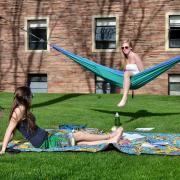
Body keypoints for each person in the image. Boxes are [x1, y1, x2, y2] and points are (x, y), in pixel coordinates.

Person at [0, 86, 123, 155]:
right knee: (79, 135)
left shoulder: (21, 109)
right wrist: (3, 150)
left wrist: (3, 144)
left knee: (78, 143)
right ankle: (109, 136)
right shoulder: (19, 110)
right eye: (31, 96)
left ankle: (111, 141)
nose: (32, 98)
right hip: (46, 142)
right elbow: (9, 131)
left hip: (45, 139)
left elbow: (11, 133)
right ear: (26, 98)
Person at [117, 39, 144, 107]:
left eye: (126, 47)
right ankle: (124, 97)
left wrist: (137, 80)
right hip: (130, 78)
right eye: (122, 48)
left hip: (137, 77)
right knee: (125, 73)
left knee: (126, 73)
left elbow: (142, 72)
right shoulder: (125, 59)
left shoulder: (135, 56)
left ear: (130, 48)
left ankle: (124, 98)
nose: (124, 49)